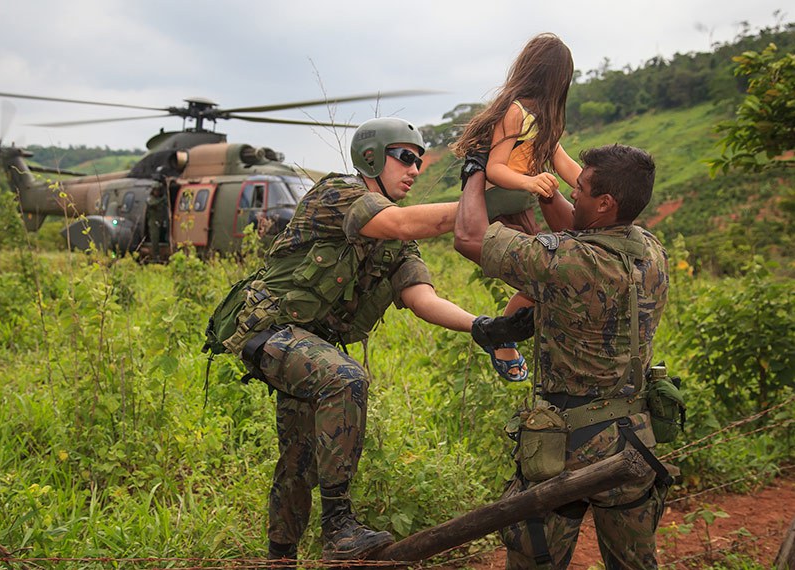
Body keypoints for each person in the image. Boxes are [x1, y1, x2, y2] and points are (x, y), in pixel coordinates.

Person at [221, 117, 476, 562]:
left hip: (307, 345)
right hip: (269, 331)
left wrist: (483, 325)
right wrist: (478, 203)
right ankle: (338, 526)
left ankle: (279, 559)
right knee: (345, 378)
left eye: (419, 160)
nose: (414, 169)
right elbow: (401, 224)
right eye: (405, 158)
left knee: (298, 462)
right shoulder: (339, 196)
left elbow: (422, 298)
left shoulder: (397, 242)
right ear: (371, 158)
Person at [455, 144, 671, 569]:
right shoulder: (650, 249)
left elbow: (469, 238)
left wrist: (475, 174)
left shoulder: (572, 262)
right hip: (632, 440)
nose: (574, 195)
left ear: (606, 204)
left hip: (566, 448)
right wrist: (545, 183)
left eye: (582, 190)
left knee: (535, 557)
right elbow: (578, 232)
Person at [452, 33, 582, 382]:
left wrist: (594, 187)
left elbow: (565, 164)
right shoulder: (516, 112)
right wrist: (529, 181)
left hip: (520, 201)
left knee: (546, 274)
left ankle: (506, 333)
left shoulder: (546, 120)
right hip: (500, 198)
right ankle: (503, 336)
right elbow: (495, 168)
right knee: (542, 272)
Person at [146, 183, 168, 261]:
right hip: (153, 221)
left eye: (158, 190)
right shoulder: (150, 199)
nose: (157, 192)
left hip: (161, 221)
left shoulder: (162, 200)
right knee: (154, 240)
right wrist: (163, 199)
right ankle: (156, 257)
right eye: (155, 190)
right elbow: (152, 203)